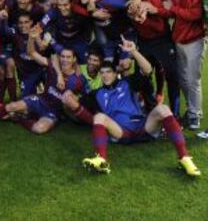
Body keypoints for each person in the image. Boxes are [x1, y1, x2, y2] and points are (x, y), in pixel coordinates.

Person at [79, 37, 200, 177]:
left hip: (143, 126)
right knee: (99, 117)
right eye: (102, 72)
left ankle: (184, 158)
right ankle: (101, 160)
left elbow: (148, 70)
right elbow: (77, 105)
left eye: (108, 72)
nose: (105, 75)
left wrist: (134, 51)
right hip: (121, 131)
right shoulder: (96, 93)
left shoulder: (127, 82)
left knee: (163, 109)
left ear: (115, 73)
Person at [1, 26, 89, 134]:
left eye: (68, 57)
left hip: (53, 111)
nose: (65, 60)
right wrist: (31, 38)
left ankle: (20, 118)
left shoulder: (79, 79)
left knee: (39, 129)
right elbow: (32, 53)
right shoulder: (53, 65)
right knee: (11, 106)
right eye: (63, 57)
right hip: (40, 101)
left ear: (74, 59)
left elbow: (84, 99)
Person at [162, 0, 206, 129]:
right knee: (183, 79)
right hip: (179, 39)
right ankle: (191, 111)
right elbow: (171, 11)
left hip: (193, 39)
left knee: (192, 79)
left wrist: (172, 8)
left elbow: (195, 14)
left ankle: (195, 116)